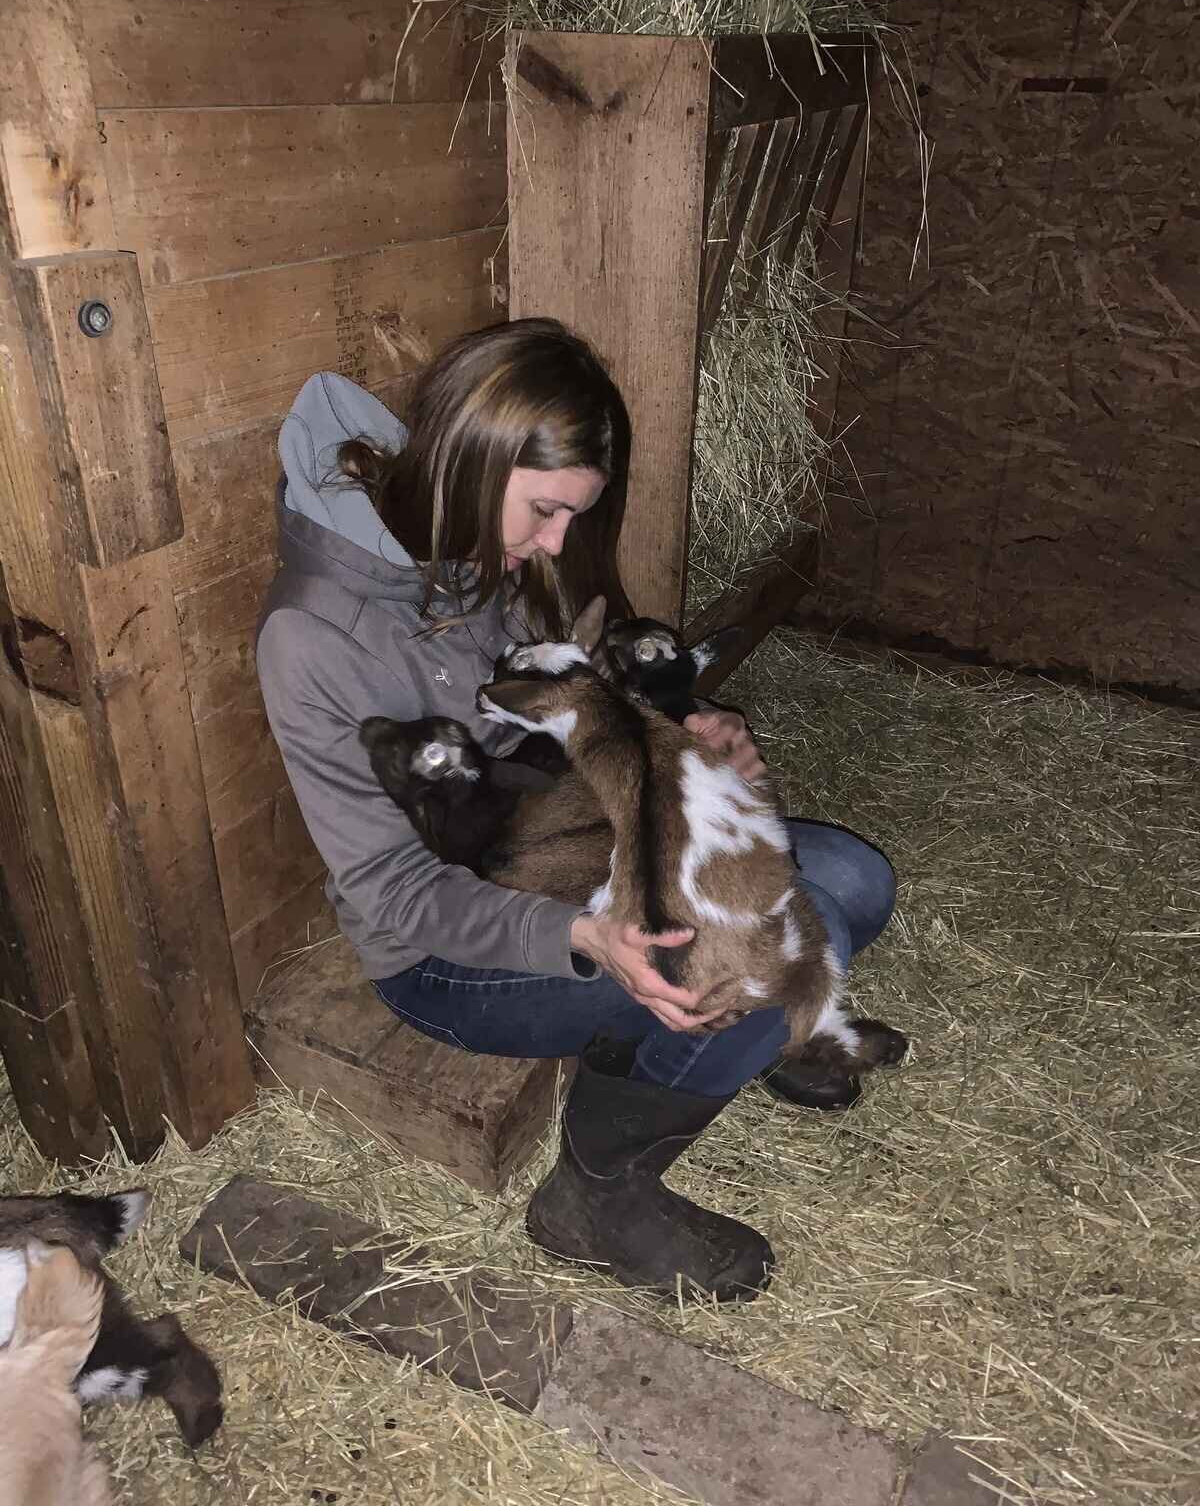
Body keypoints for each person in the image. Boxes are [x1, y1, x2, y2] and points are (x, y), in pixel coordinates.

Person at [257, 318, 896, 1303]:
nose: (555, 544)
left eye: (570, 517)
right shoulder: (312, 636)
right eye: (546, 511)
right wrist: (591, 937)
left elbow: (572, 703)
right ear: (473, 460)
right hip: (454, 952)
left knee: (855, 881)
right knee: (775, 951)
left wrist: (687, 729)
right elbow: (395, 889)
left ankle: (719, 1041)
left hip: (569, 849)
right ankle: (595, 1197)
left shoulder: (480, 549)